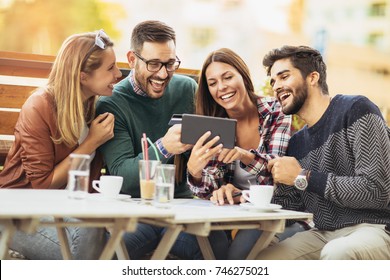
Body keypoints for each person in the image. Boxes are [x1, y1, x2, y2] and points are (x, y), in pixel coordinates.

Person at [95, 20, 225, 260]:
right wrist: (164, 147)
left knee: (216, 244)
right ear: (133, 59)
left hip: (181, 207)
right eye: (154, 64)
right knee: (109, 252)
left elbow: (202, 159)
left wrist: (198, 158)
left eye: (170, 63)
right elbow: (122, 175)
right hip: (135, 212)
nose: (163, 74)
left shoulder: (187, 88)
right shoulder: (112, 103)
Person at [255, 45, 390, 260]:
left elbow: (376, 191)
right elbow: (293, 209)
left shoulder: (357, 109)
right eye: (273, 81)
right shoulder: (297, 142)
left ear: (313, 77)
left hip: (375, 228)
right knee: (265, 261)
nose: (276, 87)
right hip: (323, 234)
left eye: (283, 77)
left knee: (337, 253)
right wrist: (256, 193)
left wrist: (303, 177)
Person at [0, 30, 121, 259]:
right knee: (87, 248)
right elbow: (42, 186)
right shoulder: (40, 106)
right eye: (110, 68)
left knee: (101, 233)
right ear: (83, 76)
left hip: (66, 211)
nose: (118, 74)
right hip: (20, 213)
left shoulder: (93, 107)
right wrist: (91, 142)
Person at [186, 48, 307, 259]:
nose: (221, 87)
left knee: (233, 260)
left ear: (243, 75)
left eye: (228, 77)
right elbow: (209, 189)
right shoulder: (215, 123)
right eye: (212, 83)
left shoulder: (275, 112)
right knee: (208, 246)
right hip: (230, 215)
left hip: (274, 213)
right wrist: (197, 174)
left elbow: (275, 174)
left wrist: (245, 156)